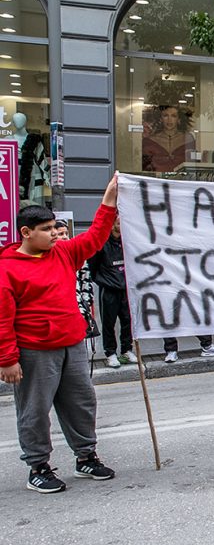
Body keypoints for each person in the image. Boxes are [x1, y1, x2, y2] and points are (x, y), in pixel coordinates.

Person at [1, 176, 121, 493]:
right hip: (34, 351)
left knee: (82, 403)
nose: (55, 233)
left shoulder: (64, 253)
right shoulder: (7, 269)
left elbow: (96, 237)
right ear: (26, 233)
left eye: (56, 227)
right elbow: (3, 319)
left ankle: (86, 458)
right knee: (35, 411)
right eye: (47, 229)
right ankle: (38, 467)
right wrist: (8, 360)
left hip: (72, 345)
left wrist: (109, 199)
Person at [87, 217, 135, 369]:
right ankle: (110, 353)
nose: (121, 226)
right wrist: (103, 281)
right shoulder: (102, 243)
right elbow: (92, 266)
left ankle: (127, 350)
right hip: (109, 289)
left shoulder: (127, 241)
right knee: (109, 322)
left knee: (127, 321)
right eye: (119, 223)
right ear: (112, 223)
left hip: (125, 288)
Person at [55, 221, 98, 360]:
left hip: (79, 309)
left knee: (80, 352)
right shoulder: (49, 258)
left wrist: (88, 308)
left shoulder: (76, 254)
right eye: (61, 234)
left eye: (66, 233)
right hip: (61, 313)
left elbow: (86, 282)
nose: (65, 236)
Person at [142, 105, 195, 174]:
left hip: (182, 181)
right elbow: (144, 167)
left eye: (173, 116)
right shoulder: (150, 141)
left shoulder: (188, 139)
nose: (169, 120)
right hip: (157, 182)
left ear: (179, 119)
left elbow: (193, 164)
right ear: (161, 119)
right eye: (165, 116)